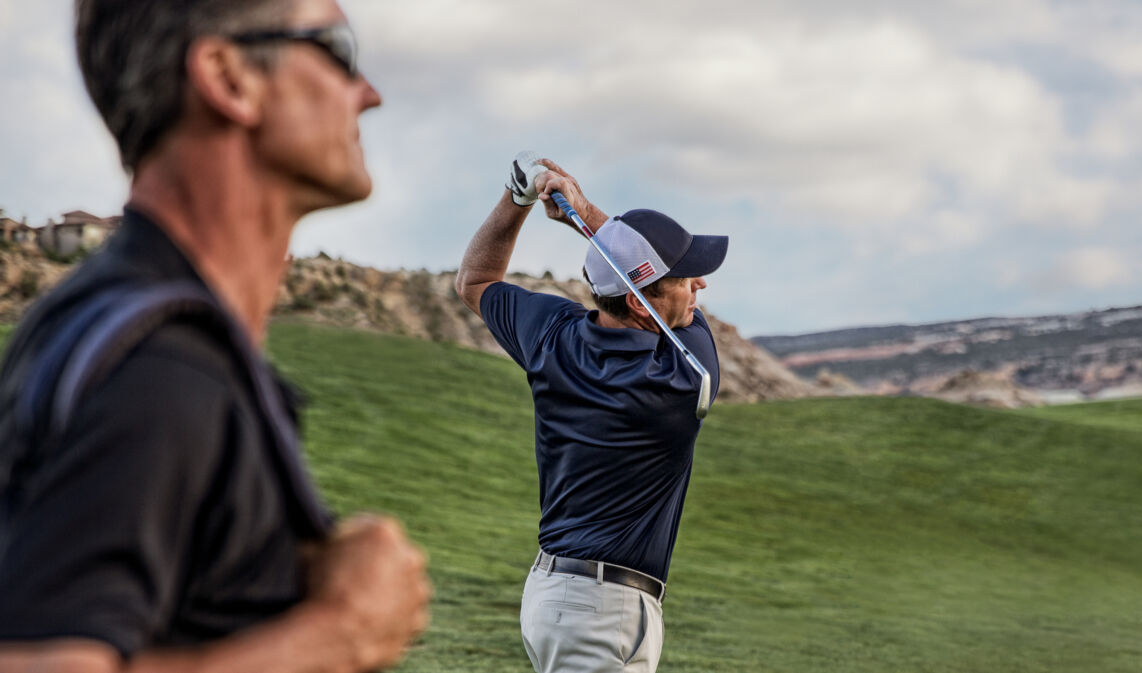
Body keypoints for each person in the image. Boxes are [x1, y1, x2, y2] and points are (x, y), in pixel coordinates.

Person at [0, 1, 430, 671]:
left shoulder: (110, 328)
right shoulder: (160, 370)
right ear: (229, 80)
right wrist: (339, 633)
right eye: (338, 49)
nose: (368, 93)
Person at [456, 154, 728, 673]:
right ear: (641, 303)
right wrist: (587, 214)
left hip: (571, 599)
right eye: (686, 277)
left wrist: (516, 198)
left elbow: (475, 280)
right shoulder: (682, 377)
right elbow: (670, 306)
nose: (700, 285)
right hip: (597, 610)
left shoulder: (551, 335)